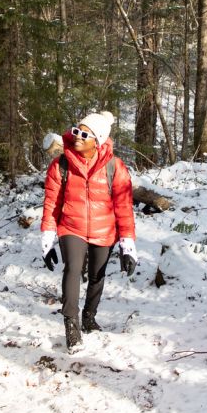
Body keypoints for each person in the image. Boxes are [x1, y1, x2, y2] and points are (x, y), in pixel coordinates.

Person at [40, 111, 137, 350]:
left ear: (99, 139)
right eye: (76, 131)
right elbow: (52, 203)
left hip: (104, 230)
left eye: (85, 134)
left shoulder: (115, 167)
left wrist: (127, 244)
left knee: (97, 276)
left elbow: (124, 206)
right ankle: (71, 326)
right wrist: (48, 236)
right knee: (73, 269)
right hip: (71, 226)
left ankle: (89, 317)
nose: (78, 137)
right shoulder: (61, 164)